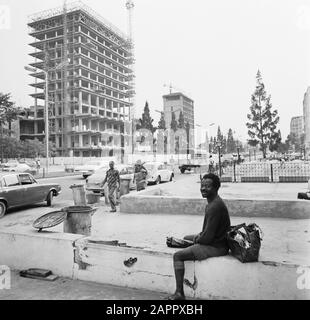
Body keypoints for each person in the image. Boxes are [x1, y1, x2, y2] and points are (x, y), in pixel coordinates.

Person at [168, 173, 231, 300]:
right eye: (202, 186)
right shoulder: (213, 202)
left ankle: (179, 293)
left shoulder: (214, 206)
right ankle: (191, 244)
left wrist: (197, 239)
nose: (203, 189)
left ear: (216, 188)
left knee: (178, 256)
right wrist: (198, 237)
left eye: (207, 186)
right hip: (214, 240)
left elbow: (206, 239)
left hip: (217, 247)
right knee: (186, 237)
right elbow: (207, 232)